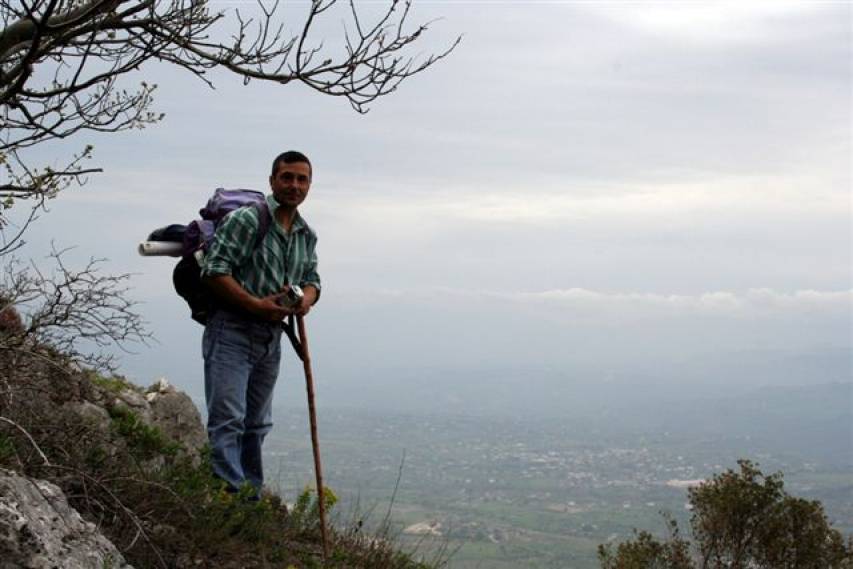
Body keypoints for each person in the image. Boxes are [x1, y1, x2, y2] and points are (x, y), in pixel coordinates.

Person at [200, 150, 320, 495]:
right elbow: (214, 270)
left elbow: (313, 280)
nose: (294, 185)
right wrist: (255, 303)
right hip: (232, 330)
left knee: (256, 424)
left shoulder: (304, 234)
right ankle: (228, 502)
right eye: (287, 177)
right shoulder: (247, 220)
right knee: (228, 421)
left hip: (272, 336)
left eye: (301, 179)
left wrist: (303, 301)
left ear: (309, 185)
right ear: (272, 181)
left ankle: (249, 501)